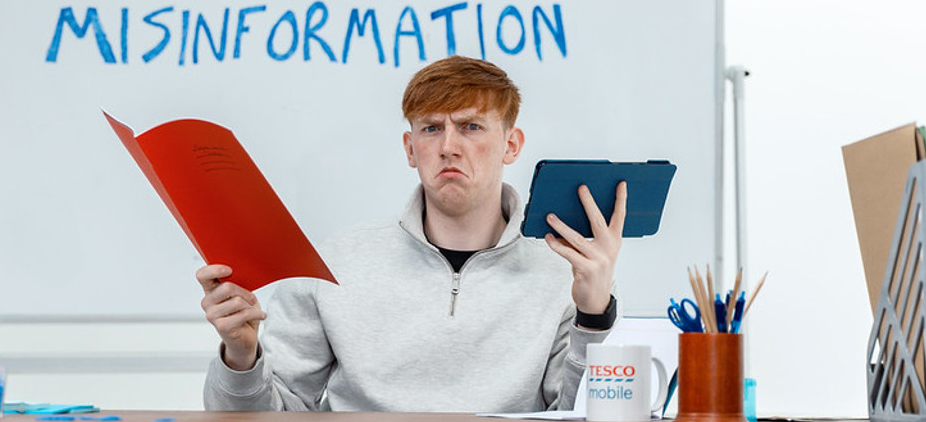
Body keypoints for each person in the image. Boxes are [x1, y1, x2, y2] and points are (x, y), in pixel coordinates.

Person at [197, 56, 626, 412]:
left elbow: (579, 417)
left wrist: (592, 317)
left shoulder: (561, 272)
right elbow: (271, 418)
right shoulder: (333, 263)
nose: (448, 146)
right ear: (410, 147)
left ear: (511, 145)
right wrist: (241, 356)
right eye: (431, 128)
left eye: (472, 127)